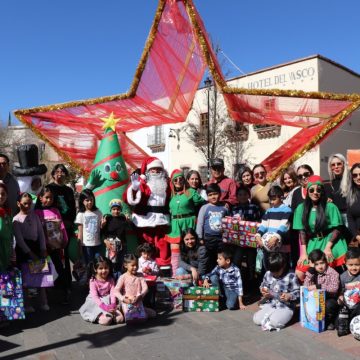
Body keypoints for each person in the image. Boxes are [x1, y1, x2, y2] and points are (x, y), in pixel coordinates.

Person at [293, 175, 348, 281]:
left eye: (318, 189)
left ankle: (330, 295)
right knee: (300, 272)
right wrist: (303, 253)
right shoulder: (301, 208)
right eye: (312, 190)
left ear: (322, 191)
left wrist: (328, 248)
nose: (315, 192)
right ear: (307, 191)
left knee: (326, 271)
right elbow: (302, 231)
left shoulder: (330, 207)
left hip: (331, 241)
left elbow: (337, 229)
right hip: (313, 242)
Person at [124, 157, 171, 266]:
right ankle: (145, 267)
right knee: (146, 246)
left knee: (162, 245)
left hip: (162, 220)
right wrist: (134, 188)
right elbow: (127, 199)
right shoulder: (142, 183)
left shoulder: (166, 184)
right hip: (145, 220)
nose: (156, 172)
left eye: (158, 170)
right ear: (148, 172)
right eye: (152, 170)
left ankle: (162, 266)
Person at [13, 192, 48, 312]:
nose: (27, 206)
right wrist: (29, 253)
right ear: (18, 204)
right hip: (24, 251)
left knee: (40, 277)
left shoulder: (35, 216)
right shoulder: (16, 220)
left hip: (36, 248)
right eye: (24, 203)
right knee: (27, 279)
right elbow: (19, 240)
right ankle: (28, 304)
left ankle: (43, 302)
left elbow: (41, 234)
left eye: (30, 203)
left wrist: (43, 248)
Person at [166, 169, 206, 274]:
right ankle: (175, 276)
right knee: (174, 252)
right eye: (175, 180)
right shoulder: (171, 195)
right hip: (175, 225)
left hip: (188, 223)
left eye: (180, 179)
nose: (178, 181)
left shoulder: (190, 192)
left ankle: (194, 274)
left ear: (184, 180)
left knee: (190, 249)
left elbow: (204, 204)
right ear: (173, 182)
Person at [34, 186, 69, 304]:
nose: (49, 200)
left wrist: (65, 239)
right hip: (43, 248)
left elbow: (62, 226)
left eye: (51, 198)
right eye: (46, 197)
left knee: (59, 269)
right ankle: (45, 297)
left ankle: (65, 293)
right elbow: (37, 231)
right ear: (40, 198)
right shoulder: (37, 212)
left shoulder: (56, 211)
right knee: (44, 271)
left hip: (55, 247)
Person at [47, 164, 76, 300]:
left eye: (63, 171)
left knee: (66, 255)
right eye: (57, 171)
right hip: (52, 228)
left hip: (67, 227)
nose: (60, 174)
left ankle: (67, 284)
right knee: (55, 257)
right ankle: (58, 283)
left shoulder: (69, 190)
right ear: (53, 174)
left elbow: (72, 209)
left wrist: (70, 221)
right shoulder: (49, 189)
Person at [253, 252, 300, 330]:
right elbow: (263, 285)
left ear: (283, 266)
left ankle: (284, 315)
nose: (274, 274)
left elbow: (298, 292)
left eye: (277, 271)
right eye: (272, 271)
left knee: (274, 322)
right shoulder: (268, 274)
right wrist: (263, 291)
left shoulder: (291, 276)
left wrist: (289, 296)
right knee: (256, 320)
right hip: (271, 304)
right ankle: (272, 315)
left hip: (285, 306)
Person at [231, 185, 261, 292]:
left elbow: (258, 222)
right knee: (236, 261)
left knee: (251, 263)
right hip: (238, 241)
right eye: (240, 195)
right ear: (237, 197)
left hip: (251, 241)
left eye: (244, 194)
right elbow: (231, 224)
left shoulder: (254, 207)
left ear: (248, 195)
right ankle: (238, 284)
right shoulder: (234, 209)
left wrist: (248, 222)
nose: (242, 196)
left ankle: (251, 285)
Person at [255, 186, 292, 269]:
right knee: (269, 266)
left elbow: (284, 225)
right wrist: (258, 236)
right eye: (270, 199)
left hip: (282, 246)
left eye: (274, 198)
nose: (271, 201)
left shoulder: (287, 210)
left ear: (281, 197)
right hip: (269, 246)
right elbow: (263, 225)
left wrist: (276, 237)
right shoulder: (269, 211)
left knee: (282, 266)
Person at [79, 255, 123, 325]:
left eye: (106, 268)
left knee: (120, 319)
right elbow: (95, 297)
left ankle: (111, 314)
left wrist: (113, 305)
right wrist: (105, 307)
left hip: (108, 299)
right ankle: (99, 315)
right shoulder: (93, 281)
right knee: (106, 321)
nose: (104, 270)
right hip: (96, 301)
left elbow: (112, 293)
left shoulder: (110, 279)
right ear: (95, 269)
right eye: (100, 268)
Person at [303, 249, 340, 330]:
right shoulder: (313, 272)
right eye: (316, 264)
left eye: (322, 263)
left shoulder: (333, 273)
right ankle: (313, 320)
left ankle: (329, 321)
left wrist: (318, 286)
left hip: (329, 298)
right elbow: (306, 286)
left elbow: (334, 288)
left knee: (329, 305)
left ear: (326, 262)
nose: (320, 266)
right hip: (316, 298)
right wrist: (310, 272)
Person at [196, 183, 229, 269]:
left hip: (221, 239)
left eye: (215, 194)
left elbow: (229, 222)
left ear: (220, 194)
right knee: (210, 260)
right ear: (207, 196)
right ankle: (210, 277)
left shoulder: (224, 208)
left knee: (221, 260)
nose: (213, 197)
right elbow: (200, 223)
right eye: (210, 195)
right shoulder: (204, 208)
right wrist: (200, 238)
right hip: (208, 239)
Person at [114, 254, 156, 320]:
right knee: (125, 318)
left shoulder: (140, 275)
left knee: (153, 314)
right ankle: (121, 310)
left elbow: (145, 288)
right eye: (133, 265)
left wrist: (140, 296)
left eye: (136, 265)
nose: (135, 267)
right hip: (127, 302)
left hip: (138, 302)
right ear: (125, 265)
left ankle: (139, 312)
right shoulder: (123, 277)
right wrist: (123, 299)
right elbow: (116, 291)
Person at [102, 199, 130, 279]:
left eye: (118, 209)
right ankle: (112, 281)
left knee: (122, 264)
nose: (116, 211)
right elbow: (103, 233)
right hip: (111, 245)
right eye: (114, 209)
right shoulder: (107, 219)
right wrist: (105, 241)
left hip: (122, 245)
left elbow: (129, 227)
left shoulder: (123, 219)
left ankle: (120, 281)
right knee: (111, 264)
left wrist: (128, 221)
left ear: (120, 210)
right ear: (111, 210)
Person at [75, 189, 103, 265]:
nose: (90, 202)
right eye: (87, 200)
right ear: (82, 201)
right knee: (89, 265)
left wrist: (103, 224)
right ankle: (90, 277)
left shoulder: (98, 212)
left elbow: (101, 227)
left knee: (98, 264)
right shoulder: (81, 214)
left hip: (97, 244)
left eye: (91, 200)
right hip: (86, 246)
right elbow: (80, 233)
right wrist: (79, 248)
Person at [324, 154, 349, 226]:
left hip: (349, 217)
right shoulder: (328, 185)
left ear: (343, 165)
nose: (336, 167)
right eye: (333, 165)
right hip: (335, 217)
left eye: (339, 164)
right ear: (330, 167)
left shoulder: (350, 181)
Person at [338, 248, 360, 322]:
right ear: (345, 263)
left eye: (357, 265)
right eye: (350, 265)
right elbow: (341, 291)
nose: (354, 268)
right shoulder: (342, 277)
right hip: (347, 307)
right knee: (339, 325)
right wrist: (340, 297)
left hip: (358, 307)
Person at [0, 183, 13, 272]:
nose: (0, 196)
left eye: (3, 194)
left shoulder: (8, 212)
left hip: (6, 249)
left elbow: (11, 232)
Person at [347, 163, 360, 247]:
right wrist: (357, 236)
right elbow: (350, 218)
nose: (358, 177)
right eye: (355, 175)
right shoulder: (351, 195)